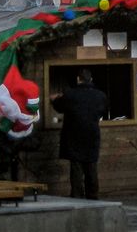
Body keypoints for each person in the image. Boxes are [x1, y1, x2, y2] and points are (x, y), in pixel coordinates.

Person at [51, 68, 108, 199]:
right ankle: (93, 196)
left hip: (74, 135)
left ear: (78, 79)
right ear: (91, 79)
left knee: (76, 167)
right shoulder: (100, 95)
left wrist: (54, 99)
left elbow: (59, 107)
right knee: (91, 165)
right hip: (92, 134)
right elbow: (103, 110)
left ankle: (77, 196)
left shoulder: (70, 95)